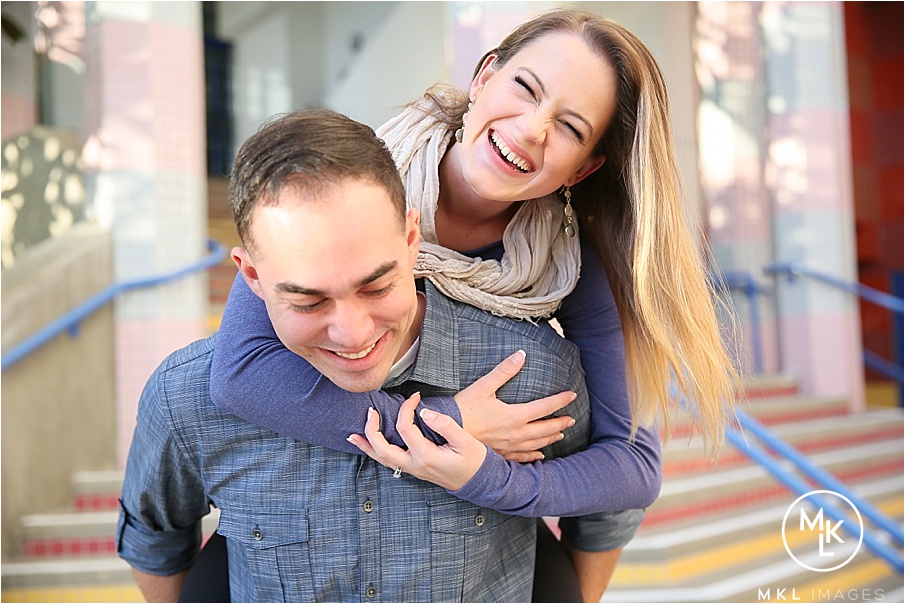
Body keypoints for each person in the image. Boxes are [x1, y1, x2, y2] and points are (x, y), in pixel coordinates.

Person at [210, 8, 738, 600]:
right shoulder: (353, 181)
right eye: (525, 88)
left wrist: (492, 479)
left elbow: (633, 465)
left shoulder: (574, 262)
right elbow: (241, 373)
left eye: (569, 127)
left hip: (475, 536)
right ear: (484, 78)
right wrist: (446, 427)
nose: (533, 128)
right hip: (306, 512)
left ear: (584, 167)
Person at [119, 108, 602, 602]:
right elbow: (153, 539)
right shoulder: (186, 399)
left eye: (376, 286)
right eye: (309, 301)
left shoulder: (533, 375)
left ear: (412, 240)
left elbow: (605, 511)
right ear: (252, 278)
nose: (352, 335)